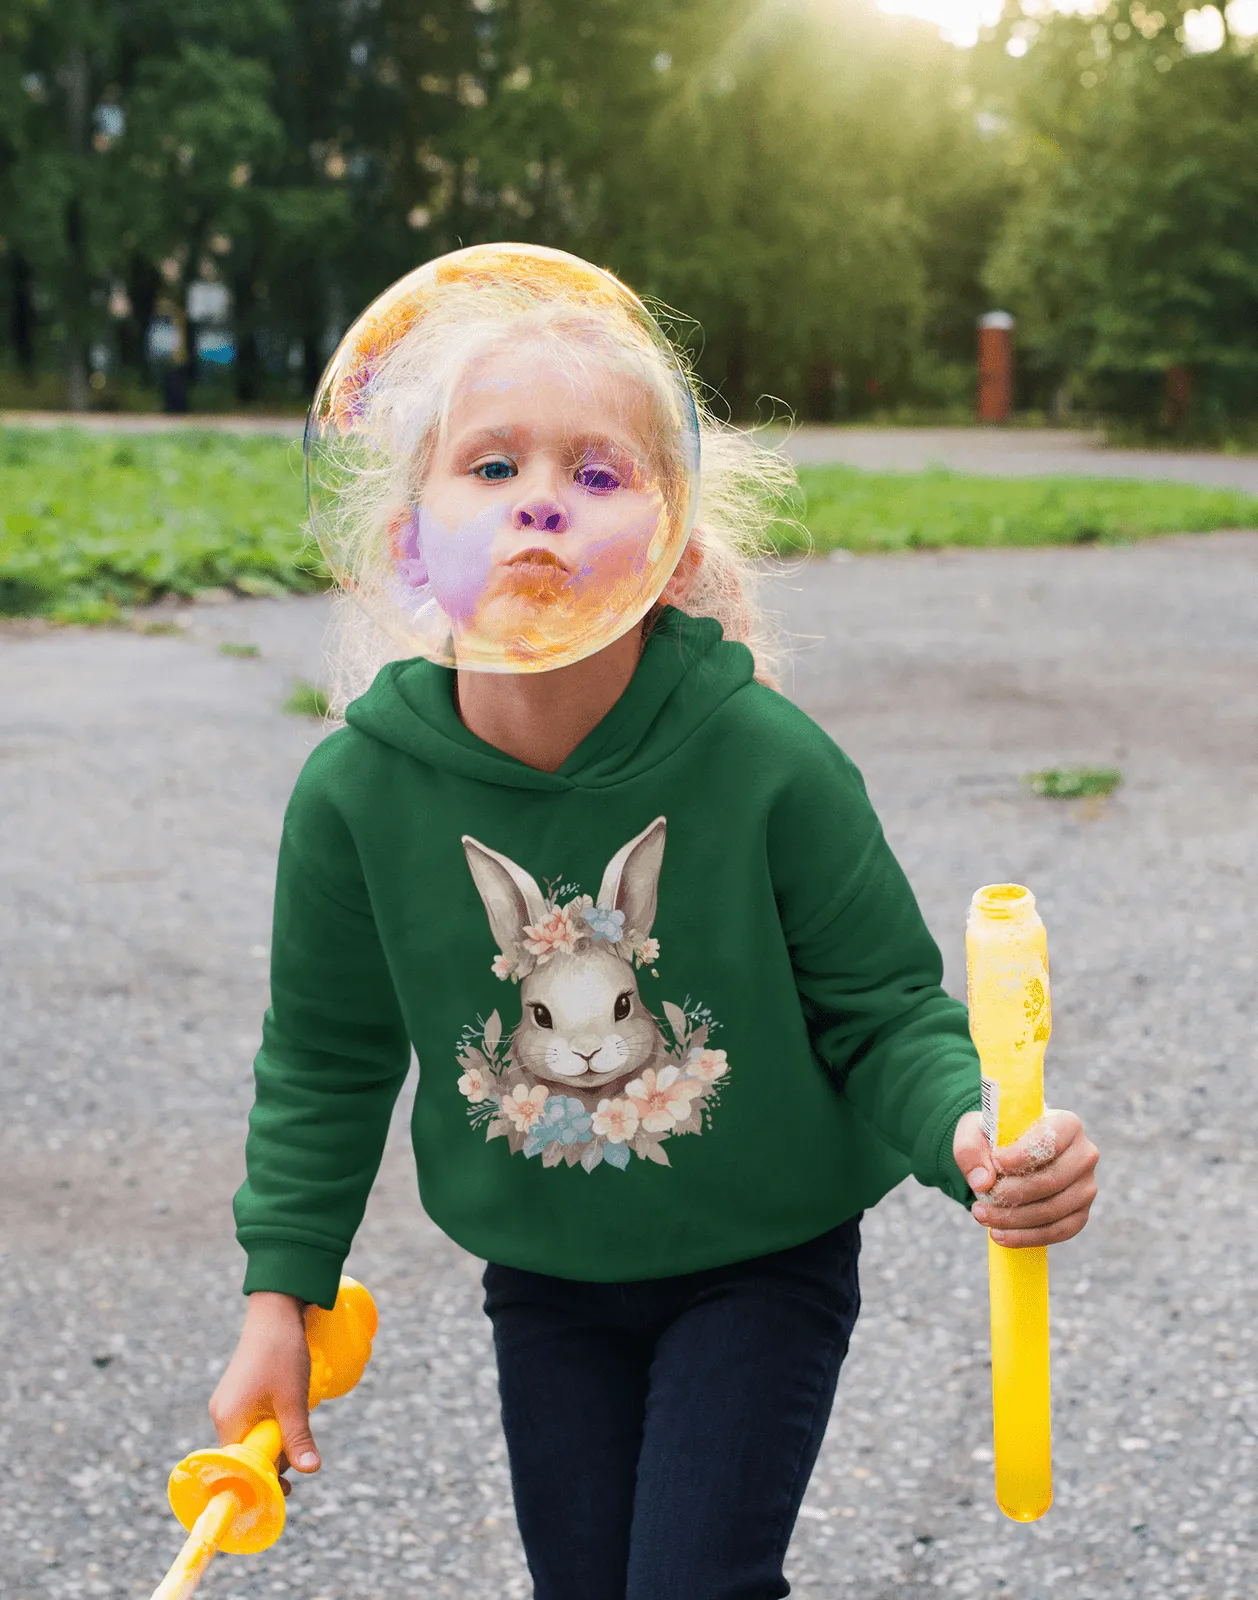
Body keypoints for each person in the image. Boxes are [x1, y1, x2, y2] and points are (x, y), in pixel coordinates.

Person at [208, 246, 1099, 1600]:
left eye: (597, 473)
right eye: (491, 467)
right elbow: (325, 1059)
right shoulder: (355, 794)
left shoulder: (766, 762)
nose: (541, 509)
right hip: (546, 1275)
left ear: (670, 540)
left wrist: (970, 1134)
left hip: (760, 1258)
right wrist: (281, 1298)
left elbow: (881, 1012)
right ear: (411, 537)